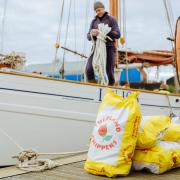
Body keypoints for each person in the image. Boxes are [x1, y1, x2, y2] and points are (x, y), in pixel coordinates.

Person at [86, 1, 120, 86]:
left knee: (109, 72)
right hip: (96, 47)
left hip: (109, 47)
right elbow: (88, 36)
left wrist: (105, 31)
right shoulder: (93, 21)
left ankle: (110, 88)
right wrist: (92, 34)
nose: (98, 12)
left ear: (103, 9)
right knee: (89, 69)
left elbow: (117, 34)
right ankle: (92, 85)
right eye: (96, 11)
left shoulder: (111, 20)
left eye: (99, 10)